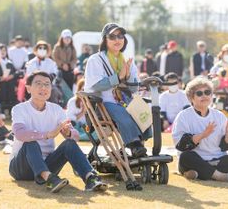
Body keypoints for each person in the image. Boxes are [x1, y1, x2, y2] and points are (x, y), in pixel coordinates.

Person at [9, 71, 107, 193]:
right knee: (31, 143)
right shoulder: (19, 109)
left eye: (47, 84)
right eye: (38, 84)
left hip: (48, 164)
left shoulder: (56, 109)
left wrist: (68, 133)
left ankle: (90, 178)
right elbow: (20, 134)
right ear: (28, 88)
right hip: (21, 167)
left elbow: (75, 136)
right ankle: (49, 179)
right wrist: (47, 135)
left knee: (69, 143)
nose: (43, 87)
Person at [84, 23, 151, 158]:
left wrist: (128, 76)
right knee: (123, 112)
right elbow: (95, 85)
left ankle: (138, 144)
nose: (117, 40)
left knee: (146, 112)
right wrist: (118, 77)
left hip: (124, 101)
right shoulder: (96, 59)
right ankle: (135, 145)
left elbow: (133, 88)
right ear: (105, 40)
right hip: (102, 103)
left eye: (120, 36)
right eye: (112, 36)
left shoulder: (126, 60)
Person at [172, 77, 228, 181]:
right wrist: (203, 135)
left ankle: (198, 173)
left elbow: (225, 146)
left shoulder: (219, 116)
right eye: (199, 93)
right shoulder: (183, 116)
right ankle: (219, 176)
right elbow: (181, 146)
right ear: (191, 98)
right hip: (196, 159)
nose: (204, 96)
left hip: (217, 159)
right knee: (185, 157)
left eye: (207, 92)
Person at [0, 44, 17, 113]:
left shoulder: (10, 63)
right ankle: (2, 111)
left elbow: (15, 73)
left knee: (11, 90)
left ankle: (10, 111)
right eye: (0, 50)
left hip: (10, 84)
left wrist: (12, 76)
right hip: (0, 85)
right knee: (2, 89)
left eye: (4, 50)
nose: (2, 52)